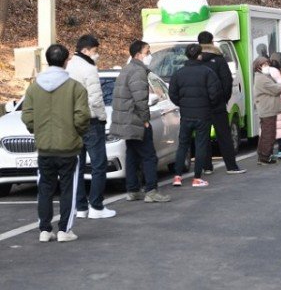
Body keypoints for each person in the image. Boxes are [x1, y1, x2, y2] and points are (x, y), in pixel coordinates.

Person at [22, 44, 90, 242]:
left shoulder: (34, 87)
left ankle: (44, 229)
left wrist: (38, 130)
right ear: (66, 61)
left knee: (45, 188)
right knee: (68, 188)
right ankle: (64, 230)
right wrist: (77, 133)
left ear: (47, 60)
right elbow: (82, 117)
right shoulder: (75, 87)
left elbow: (27, 116)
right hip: (69, 147)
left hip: (44, 147)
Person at [110, 40, 171, 203]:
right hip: (136, 120)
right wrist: (145, 120)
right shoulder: (138, 72)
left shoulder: (126, 70)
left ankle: (133, 190)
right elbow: (140, 99)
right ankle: (151, 190)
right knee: (149, 156)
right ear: (138, 55)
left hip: (125, 121)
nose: (150, 55)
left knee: (132, 155)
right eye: (147, 52)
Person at [66, 35, 116, 220]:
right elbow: (95, 98)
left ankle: (80, 207)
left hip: (73, 122)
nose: (97, 55)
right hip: (91, 121)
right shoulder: (89, 69)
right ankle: (96, 205)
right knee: (98, 164)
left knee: (77, 166)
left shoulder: (69, 67)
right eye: (95, 51)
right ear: (86, 50)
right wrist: (102, 117)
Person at [168, 44, 222, 187]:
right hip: (203, 115)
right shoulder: (207, 72)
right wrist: (209, 105)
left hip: (186, 115)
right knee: (201, 145)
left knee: (183, 145)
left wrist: (183, 104)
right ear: (200, 55)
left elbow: (172, 94)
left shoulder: (178, 73)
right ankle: (197, 178)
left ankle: (177, 176)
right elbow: (215, 93)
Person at [197, 31, 246, 174]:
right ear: (212, 42)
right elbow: (227, 80)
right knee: (224, 135)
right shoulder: (219, 59)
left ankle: (207, 167)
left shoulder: (195, 60)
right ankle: (231, 166)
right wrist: (224, 98)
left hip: (201, 105)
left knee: (203, 136)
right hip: (218, 104)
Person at [253, 57, 281, 164]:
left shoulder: (263, 76)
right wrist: (280, 85)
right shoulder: (262, 79)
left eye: (267, 64)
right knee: (268, 133)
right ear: (258, 67)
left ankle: (264, 155)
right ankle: (265, 156)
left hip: (267, 108)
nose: (267, 66)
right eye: (264, 64)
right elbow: (277, 89)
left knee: (266, 132)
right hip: (267, 108)